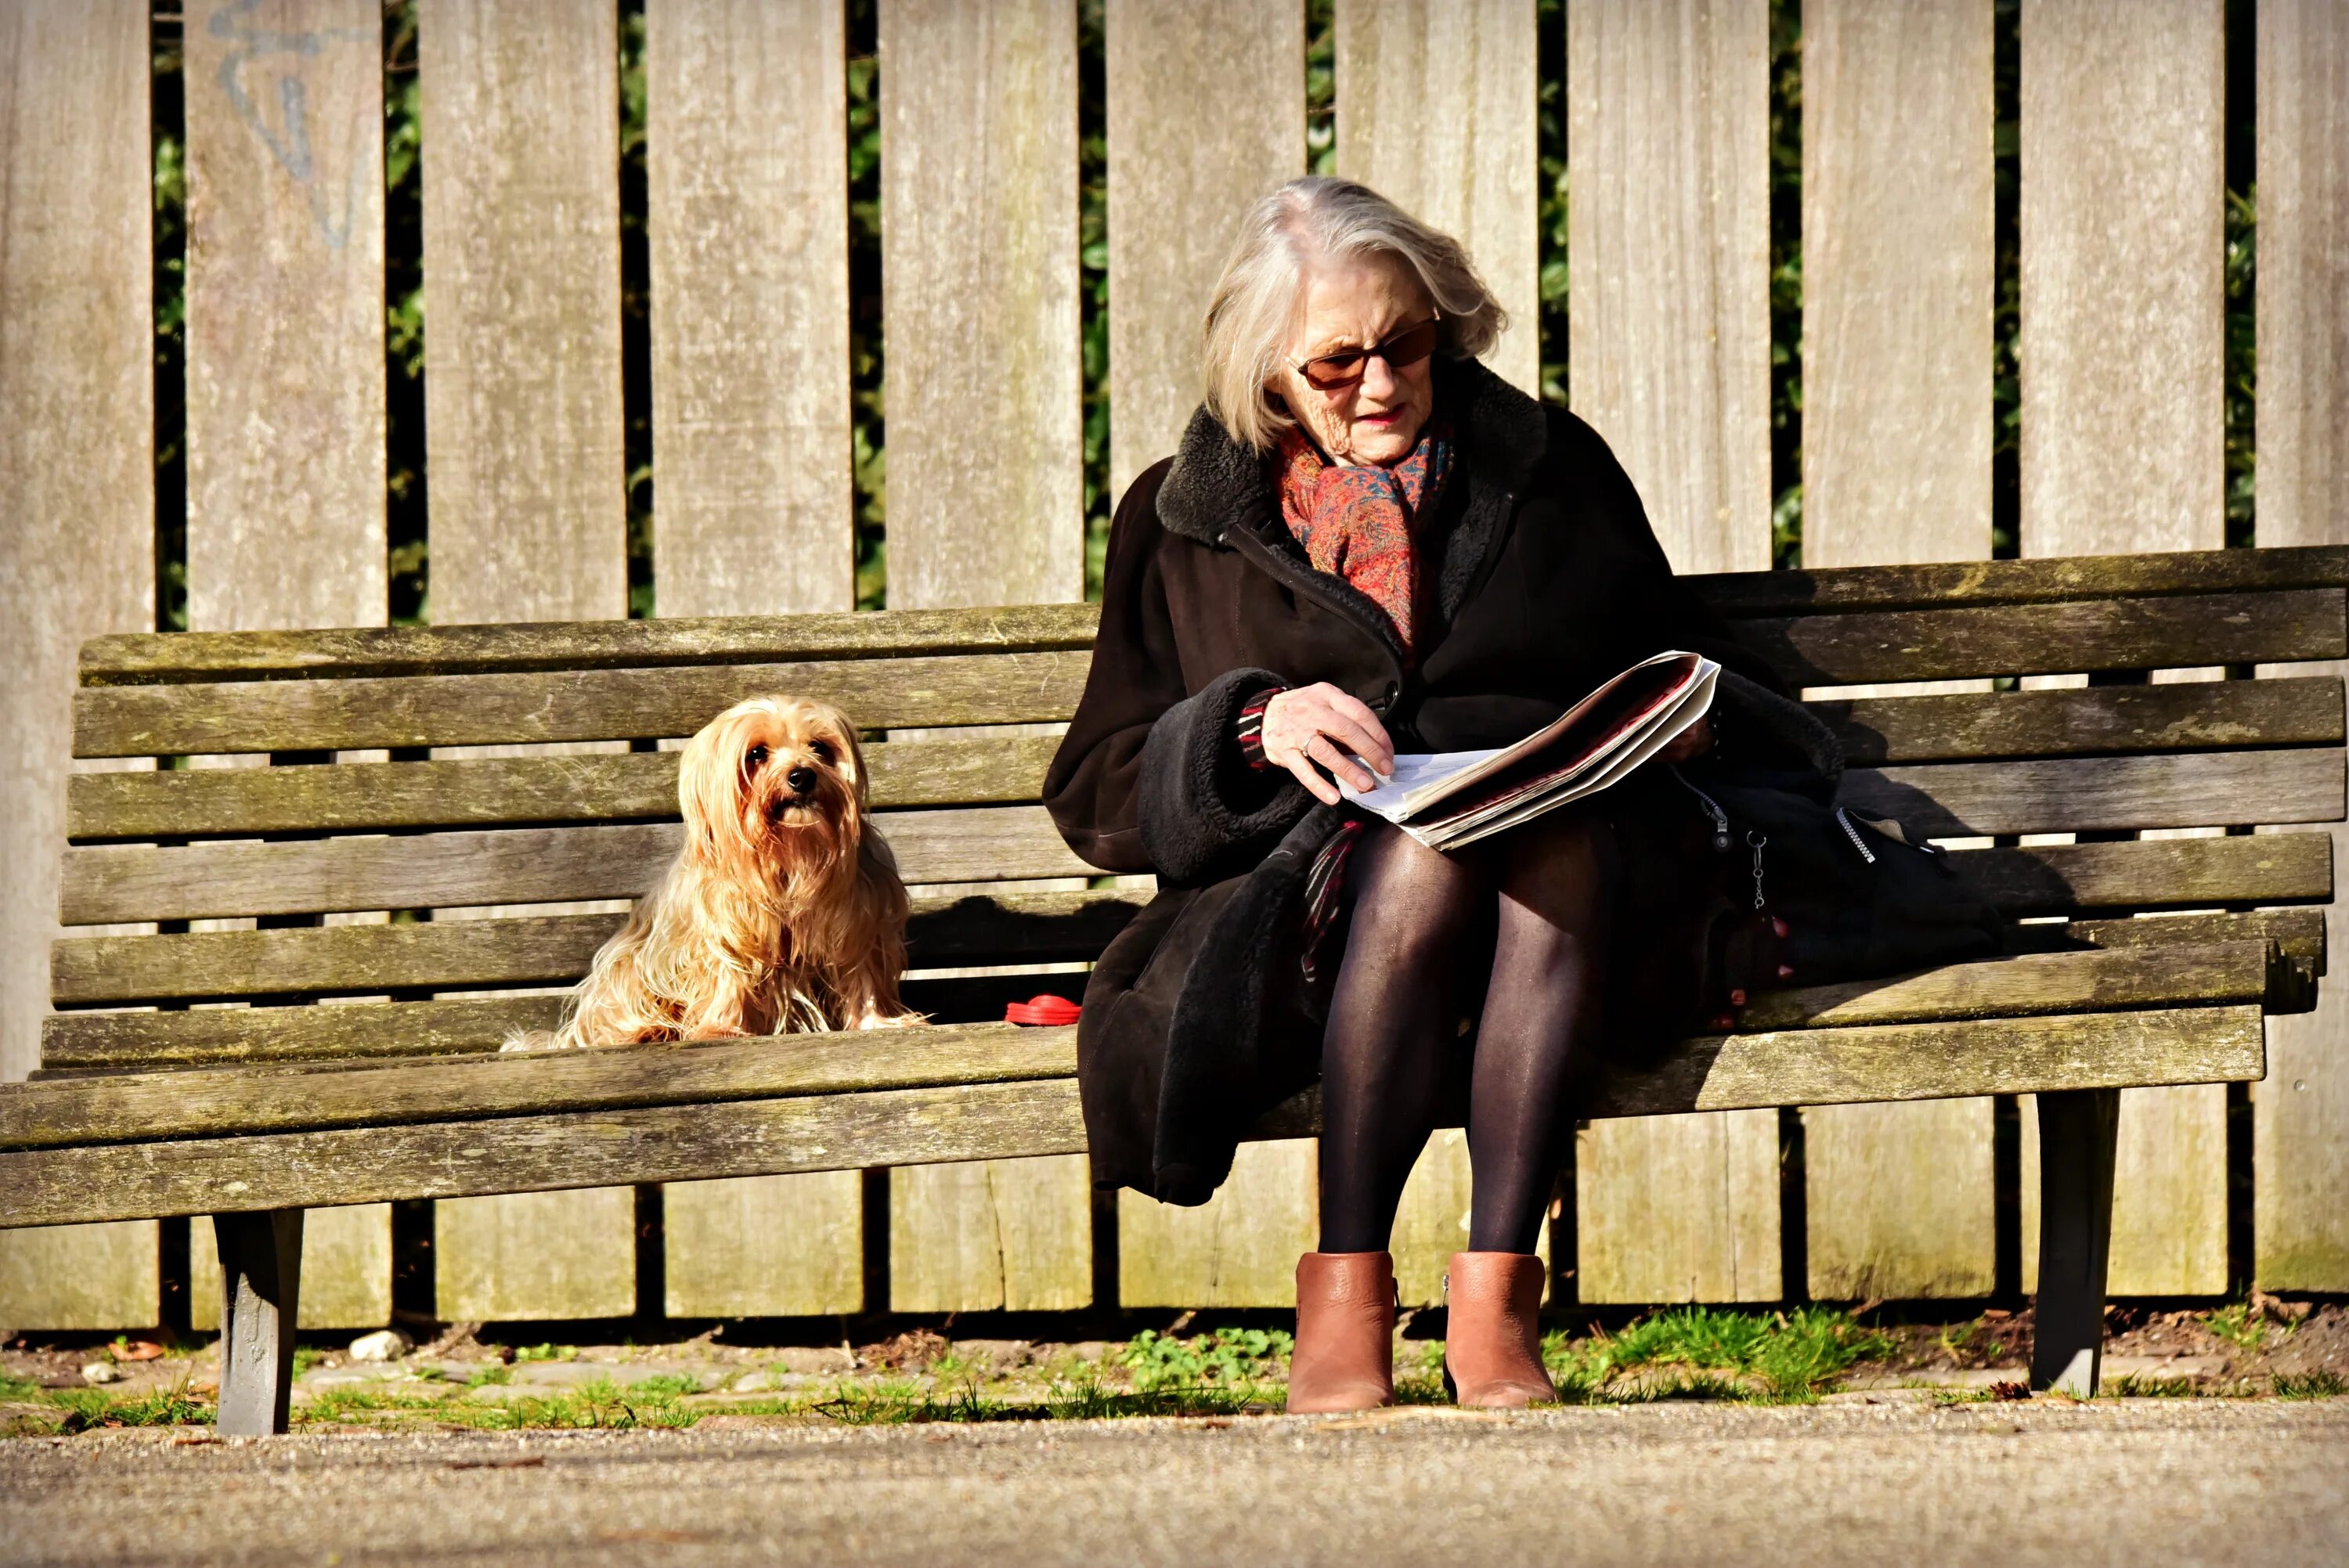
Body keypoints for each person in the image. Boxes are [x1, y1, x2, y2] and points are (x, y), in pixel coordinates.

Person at [1043, 177, 1828, 1412]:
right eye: (1336, 362)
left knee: (1541, 847)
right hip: (1311, 913)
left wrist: (1665, 725)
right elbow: (1097, 781)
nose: (1380, 383)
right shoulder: (1181, 518)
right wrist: (1251, 729)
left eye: (1405, 343)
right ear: (1266, 380)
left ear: (1443, 327)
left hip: (1583, 891)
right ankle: (1348, 1294)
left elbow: (1690, 656)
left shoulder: (1548, 469)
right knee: (1425, 860)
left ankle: (1495, 1302)